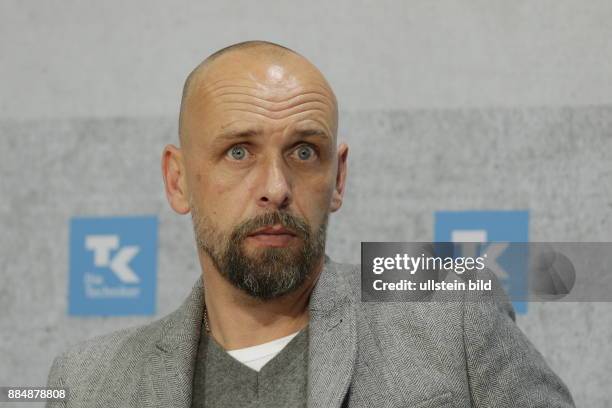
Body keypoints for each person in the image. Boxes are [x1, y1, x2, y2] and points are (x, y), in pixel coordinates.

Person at [46, 40, 575, 407]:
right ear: (178, 180)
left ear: (338, 177)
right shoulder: (88, 384)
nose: (275, 186)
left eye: (303, 151)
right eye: (238, 151)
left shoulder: (452, 313)